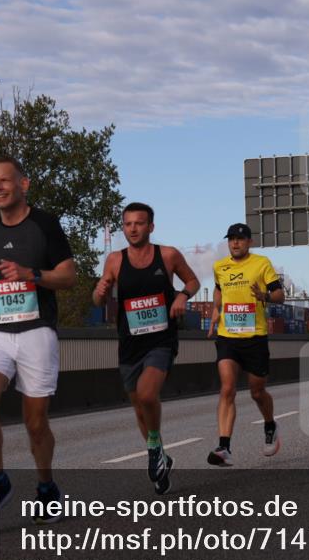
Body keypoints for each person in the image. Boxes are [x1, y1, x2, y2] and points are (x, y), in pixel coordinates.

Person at [0, 155, 76, 523]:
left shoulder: (46, 225)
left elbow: (69, 276)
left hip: (37, 331)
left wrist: (32, 274)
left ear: (23, 185)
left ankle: (46, 487)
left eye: (4, 181)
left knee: (35, 422)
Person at [93, 203, 199, 495]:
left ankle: (153, 449)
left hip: (161, 340)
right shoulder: (114, 260)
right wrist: (99, 292)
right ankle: (162, 456)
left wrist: (181, 296)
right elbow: (98, 301)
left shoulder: (167, 255)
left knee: (148, 394)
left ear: (151, 226)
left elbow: (193, 280)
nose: (133, 229)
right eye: (127, 224)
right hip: (129, 343)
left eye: (139, 223)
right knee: (139, 406)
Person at [205, 223, 284, 466]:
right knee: (227, 388)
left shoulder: (261, 263)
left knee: (257, 392)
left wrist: (265, 297)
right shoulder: (220, 267)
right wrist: (216, 312)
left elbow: (280, 294)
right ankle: (224, 447)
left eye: (240, 239)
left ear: (249, 242)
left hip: (255, 336)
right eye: (231, 239)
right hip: (228, 336)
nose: (235, 243)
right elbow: (219, 290)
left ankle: (270, 425)